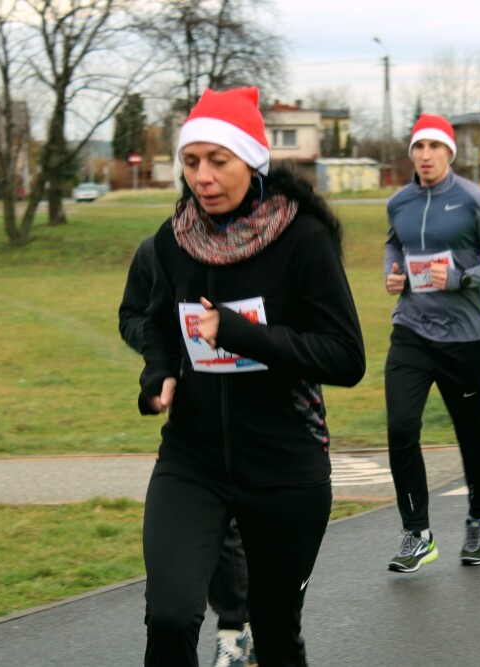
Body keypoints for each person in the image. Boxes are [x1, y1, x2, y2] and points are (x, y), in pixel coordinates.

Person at [138, 86, 366, 666]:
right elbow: (160, 321)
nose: (203, 178)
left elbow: (346, 357)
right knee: (168, 616)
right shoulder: (174, 240)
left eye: (219, 161)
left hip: (285, 463)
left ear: (252, 162)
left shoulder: (302, 238)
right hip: (193, 459)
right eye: (191, 162)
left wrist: (240, 333)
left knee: (275, 632)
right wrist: (158, 371)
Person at [383, 113, 480, 573]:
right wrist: (393, 272)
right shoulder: (398, 202)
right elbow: (392, 244)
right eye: (418, 148)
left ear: (449, 153)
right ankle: (416, 532)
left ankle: (479, 518)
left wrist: (463, 277)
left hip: (465, 338)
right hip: (411, 331)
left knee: (471, 436)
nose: (425, 156)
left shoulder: (473, 199)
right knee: (401, 428)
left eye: (434, 148)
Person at [119, 235, 255, 667]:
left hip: (254, 411)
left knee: (232, 525)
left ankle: (238, 628)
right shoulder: (156, 249)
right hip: (190, 417)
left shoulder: (253, 250)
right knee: (208, 530)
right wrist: (166, 353)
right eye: (192, 166)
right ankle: (236, 627)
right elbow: (134, 316)